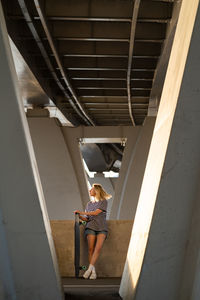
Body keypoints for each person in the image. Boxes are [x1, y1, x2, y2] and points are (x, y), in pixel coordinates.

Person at [74, 183, 112, 280]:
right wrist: (80, 216)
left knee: (97, 249)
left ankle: (89, 270)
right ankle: (93, 272)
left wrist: (82, 212)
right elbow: (87, 218)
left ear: (96, 191)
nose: (89, 191)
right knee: (90, 249)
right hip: (90, 226)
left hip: (102, 228)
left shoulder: (104, 202)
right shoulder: (89, 204)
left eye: (91, 189)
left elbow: (95, 213)